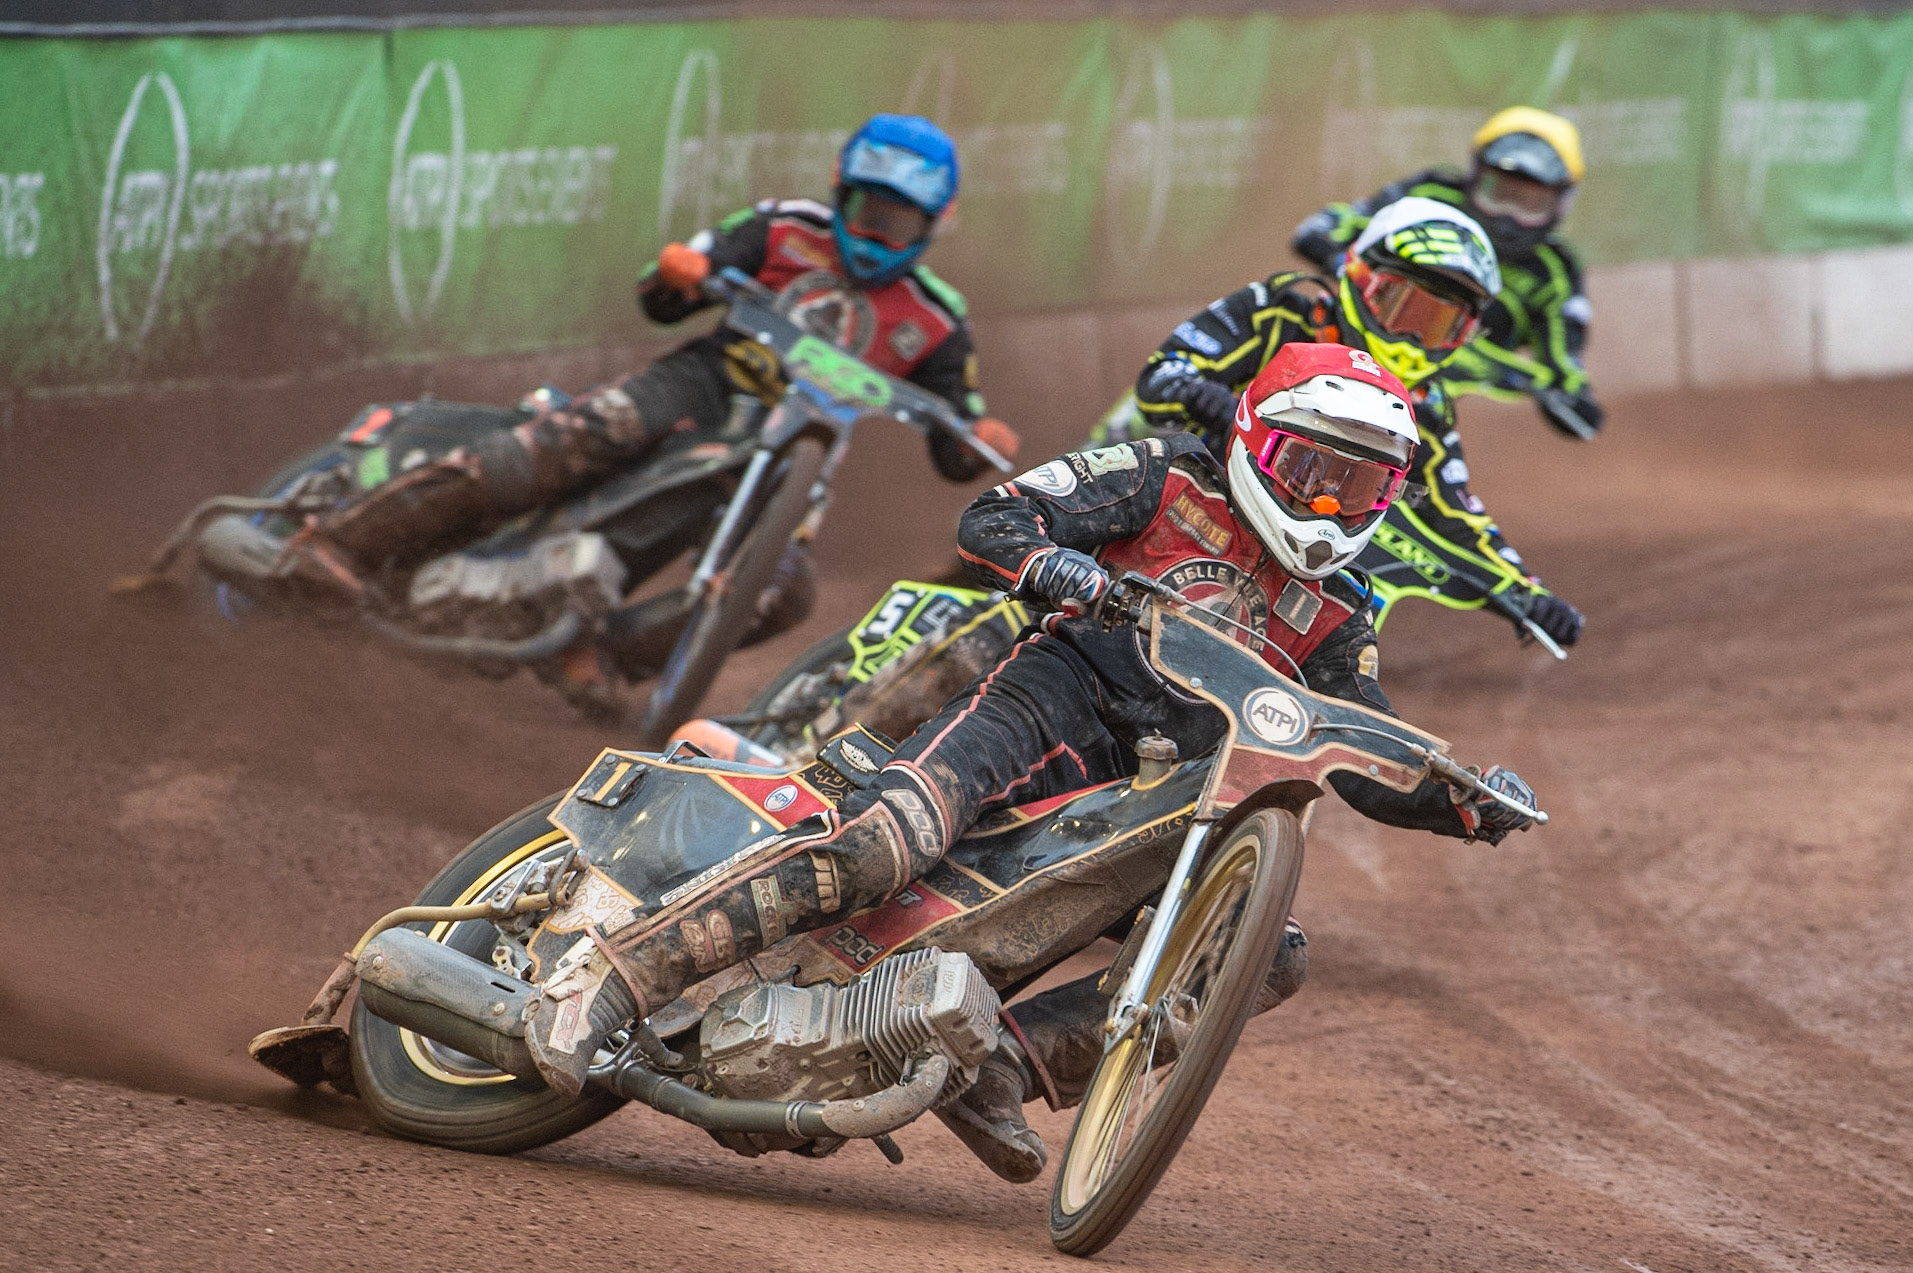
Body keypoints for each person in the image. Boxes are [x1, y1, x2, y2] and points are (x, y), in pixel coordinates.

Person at [520, 342, 1540, 1182]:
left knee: (1265, 950)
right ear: (1250, 444)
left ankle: (998, 1065)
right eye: (1306, 471)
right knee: (882, 847)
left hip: (1161, 795)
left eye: (1354, 486)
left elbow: (1357, 740)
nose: (1323, 507)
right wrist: (1058, 566)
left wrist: (1461, 801)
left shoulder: (1340, 613)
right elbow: (996, 518)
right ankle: (611, 977)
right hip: (1050, 700)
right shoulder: (1164, 474)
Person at [283, 113, 1017, 674]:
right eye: (865, 211)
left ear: (934, 224)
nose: (877, 234)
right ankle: (345, 544)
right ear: (840, 190)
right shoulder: (781, 228)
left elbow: (955, 444)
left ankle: (595, 659)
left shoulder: (935, 320)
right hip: (702, 380)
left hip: (801, 448)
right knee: (579, 437)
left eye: (899, 221)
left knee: (782, 589)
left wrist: (979, 438)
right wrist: (678, 272)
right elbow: (661, 296)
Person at [1099, 196, 1582, 649]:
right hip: (1180, 479)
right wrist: (1213, 403)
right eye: (1402, 308)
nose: (1412, 336)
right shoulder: (1282, 310)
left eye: (1439, 324)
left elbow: (1454, 512)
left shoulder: (1424, 407)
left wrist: (1528, 593)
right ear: (1357, 273)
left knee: (1376, 528)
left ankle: (1307, 659)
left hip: (1281, 534)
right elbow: (1162, 375)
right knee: (1138, 429)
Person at [1294, 106, 1601, 441]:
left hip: (1431, 398)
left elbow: (1566, 372)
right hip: (1354, 345)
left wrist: (1566, 395)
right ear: (1474, 176)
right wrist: (1356, 272)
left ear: (1561, 204)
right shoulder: (1430, 195)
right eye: (1499, 194)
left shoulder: (1554, 271)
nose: (1509, 218)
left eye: (1530, 203)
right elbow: (1319, 230)